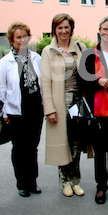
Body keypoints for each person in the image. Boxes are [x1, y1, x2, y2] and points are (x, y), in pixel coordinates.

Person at [80, 16, 108, 205]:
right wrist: (97, 81)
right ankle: (101, 187)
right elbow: (82, 80)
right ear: (99, 30)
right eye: (105, 29)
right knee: (100, 150)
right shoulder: (90, 54)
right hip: (99, 108)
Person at [0, 22, 44, 198]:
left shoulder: (36, 58)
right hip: (16, 112)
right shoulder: (4, 62)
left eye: (25, 36)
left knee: (33, 147)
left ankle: (32, 181)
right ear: (11, 40)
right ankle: (22, 183)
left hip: (35, 110)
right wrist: (4, 113)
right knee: (19, 148)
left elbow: (42, 85)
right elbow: (1, 91)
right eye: (18, 37)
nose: (22, 40)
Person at [41, 14, 87, 197]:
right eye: (59, 27)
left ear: (71, 29)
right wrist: (49, 109)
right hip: (60, 102)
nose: (63, 31)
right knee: (62, 143)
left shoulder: (81, 48)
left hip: (78, 102)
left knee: (76, 144)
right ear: (54, 30)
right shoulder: (48, 51)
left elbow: (88, 75)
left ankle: (76, 181)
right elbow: (45, 83)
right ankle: (65, 182)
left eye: (66, 27)